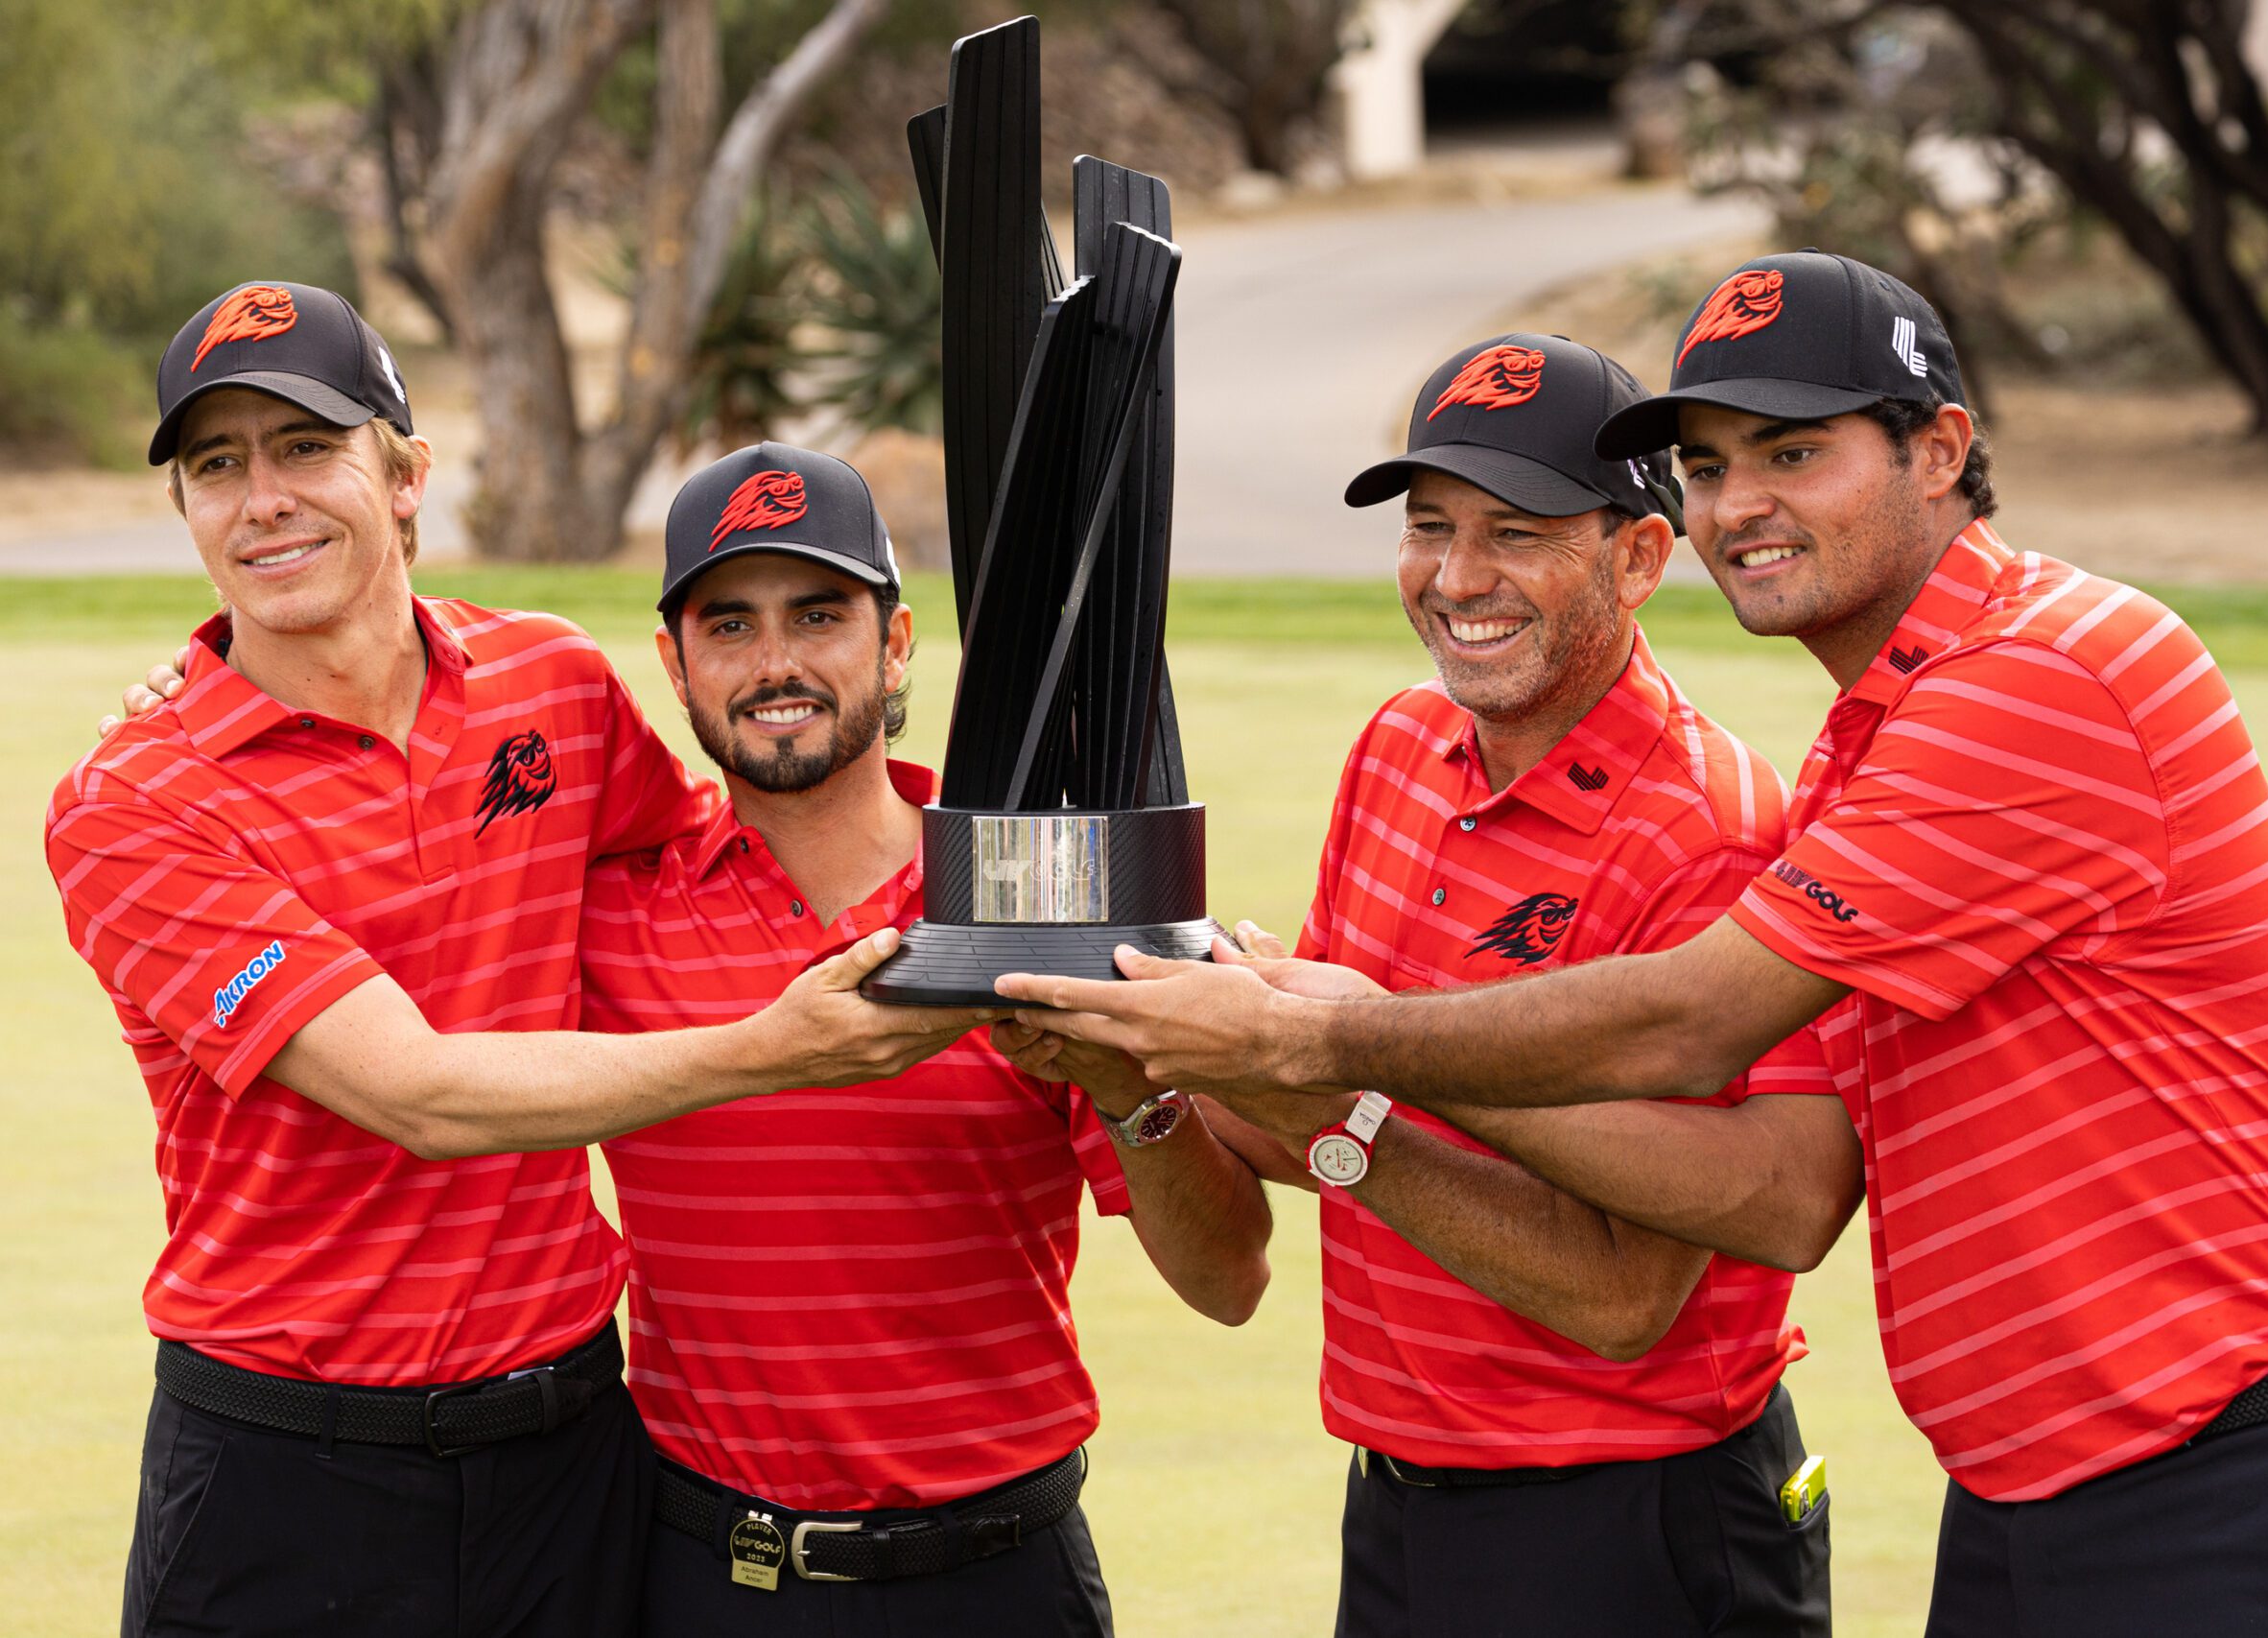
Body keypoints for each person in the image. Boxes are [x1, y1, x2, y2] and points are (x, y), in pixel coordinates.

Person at [997, 253, 2268, 1634]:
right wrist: (1161, 1036)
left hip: (2241, 1442)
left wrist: (1326, 1043)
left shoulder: (2031, 677)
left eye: (1792, 449)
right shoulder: (1867, 741)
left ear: (1942, 449)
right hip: (2049, 1468)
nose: (1738, 500)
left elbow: (1702, 1054)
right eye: (1707, 463)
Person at [52, 283, 979, 1638]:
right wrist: (776, 1047)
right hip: (286, 1473)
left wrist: (1003, 897)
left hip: (569, 1456)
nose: (263, 500)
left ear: (409, 475)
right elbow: (417, 1092)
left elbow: (737, 860)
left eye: (307, 448)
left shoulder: (553, 686)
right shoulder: (136, 801)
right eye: (216, 465)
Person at [1011, 335, 1855, 1635]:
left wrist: (1334, 1080)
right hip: (1403, 1495)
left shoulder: (1717, 830)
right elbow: (1306, 1104)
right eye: (1429, 526)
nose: (1458, 578)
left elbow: (1621, 1296)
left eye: (1516, 532)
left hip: (1635, 1522)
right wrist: (1151, 1062)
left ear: (1638, 556)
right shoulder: (1399, 747)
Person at [578, 442, 1273, 1636]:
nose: (777, 664)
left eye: (819, 615)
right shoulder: (608, 907)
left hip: (993, 1580)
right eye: (729, 626)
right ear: (674, 665)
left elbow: (1228, 1280)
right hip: (702, 1578)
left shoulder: (1033, 896)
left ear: (896, 644)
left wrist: (1123, 1088)